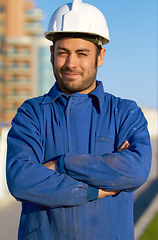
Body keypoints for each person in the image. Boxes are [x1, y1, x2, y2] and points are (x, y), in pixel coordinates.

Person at [6, 0, 152, 239]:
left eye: (82, 54)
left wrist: (63, 163)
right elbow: (21, 179)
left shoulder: (125, 112)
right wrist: (92, 190)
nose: (70, 63)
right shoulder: (31, 113)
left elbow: (135, 170)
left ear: (100, 56)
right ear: (52, 55)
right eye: (63, 52)